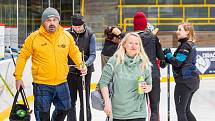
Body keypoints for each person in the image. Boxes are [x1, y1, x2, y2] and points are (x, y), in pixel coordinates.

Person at [14, 7, 87, 121]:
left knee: (65, 108)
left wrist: (81, 64)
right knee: (42, 116)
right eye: (48, 20)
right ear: (43, 22)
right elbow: (22, 57)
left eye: (54, 20)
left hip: (62, 82)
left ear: (58, 21)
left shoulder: (66, 36)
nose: (52, 23)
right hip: (42, 85)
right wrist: (18, 77)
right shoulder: (34, 38)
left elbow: (74, 52)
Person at [99, 32, 152, 121]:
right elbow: (103, 82)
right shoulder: (114, 61)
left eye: (136, 43)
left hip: (138, 113)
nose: (133, 46)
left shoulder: (144, 63)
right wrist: (107, 103)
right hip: (117, 113)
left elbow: (149, 84)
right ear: (124, 45)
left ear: (140, 46)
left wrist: (147, 88)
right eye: (130, 43)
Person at [133, 11, 166, 121]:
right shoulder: (153, 38)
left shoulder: (130, 39)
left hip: (136, 76)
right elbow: (161, 57)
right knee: (154, 109)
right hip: (153, 75)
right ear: (145, 24)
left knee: (137, 109)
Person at [163, 23, 200, 121]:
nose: (177, 32)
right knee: (186, 110)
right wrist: (167, 58)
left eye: (180, 30)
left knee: (181, 111)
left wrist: (168, 54)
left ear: (187, 31)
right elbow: (179, 60)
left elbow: (177, 62)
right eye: (177, 29)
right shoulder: (189, 44)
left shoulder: (185, 46)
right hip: (191, 81)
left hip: (184, 82)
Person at [66, 14, 96, 121]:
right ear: (72, 25)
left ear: (84, 24)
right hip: (70, 72)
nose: (78, 29)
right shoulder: (66, 34)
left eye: (80, 27)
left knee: (84, 101)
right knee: (70, 101)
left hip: (85, 72)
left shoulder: (90, 34)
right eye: (75, 27)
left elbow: (93, 54)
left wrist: (85, 64)